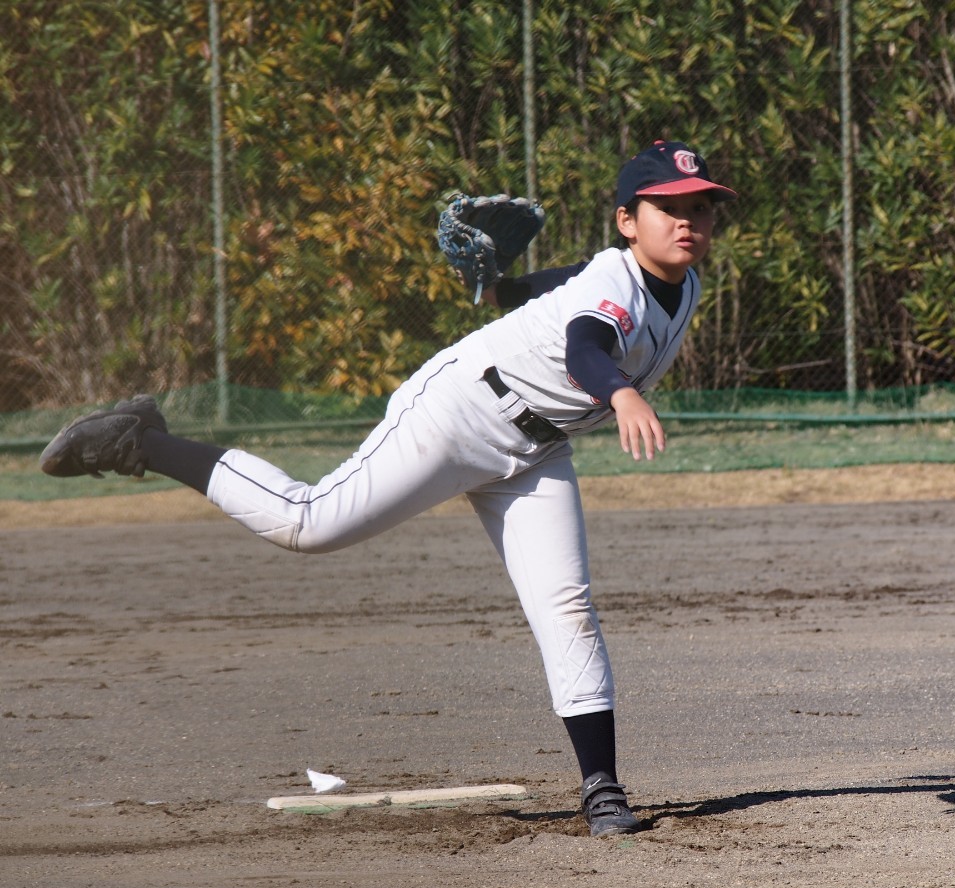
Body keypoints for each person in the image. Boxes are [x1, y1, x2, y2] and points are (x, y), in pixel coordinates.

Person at [38, 139, 737, 838]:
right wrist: (620, 395)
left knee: (567, 606)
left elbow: (563, 282)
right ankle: (142, 442)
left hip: (534, 449)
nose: (688, 221)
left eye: (701, 208)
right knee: (307, 524)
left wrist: (499, 290)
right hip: (459, 413)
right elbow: (586, 341)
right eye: (668, 207)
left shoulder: (676, 285)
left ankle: (601, 788)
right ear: (626, 220)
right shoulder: (616, 287)